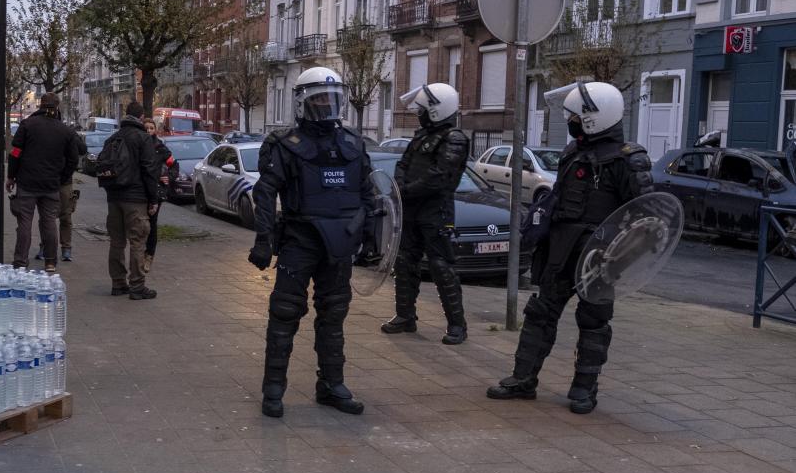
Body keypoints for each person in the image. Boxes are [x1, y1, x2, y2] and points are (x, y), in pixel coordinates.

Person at [486, 81, 654, 414]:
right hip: (559, 252)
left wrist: (619, 256)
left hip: (600, 258)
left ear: (595, 117)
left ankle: (583, 390)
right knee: (539, 314)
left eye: (577, 116)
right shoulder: (572, 152)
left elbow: (644, 218)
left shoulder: (629, 160)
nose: (572, 121)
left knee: (593, 323)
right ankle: (522, 380)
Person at [248, 67, 377, 418]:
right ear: (303, 102)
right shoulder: (284, 145)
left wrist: (371, 237)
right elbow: (265, 193)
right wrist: (263, 238)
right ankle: (274, 388)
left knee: (334, 314)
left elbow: (368, 195)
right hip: (300, 240)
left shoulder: (351, 144)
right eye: (319, 98)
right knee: (285, 312)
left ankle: (331, 385)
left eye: (332, 98)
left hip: (340, 244)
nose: (327, 105)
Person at [381, 82, 470, 345]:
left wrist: (407, 190)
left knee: (441, 267)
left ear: (436, 110)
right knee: (405, 262)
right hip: (412, 209)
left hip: (436, 212)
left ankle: (457, 325)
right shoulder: (421, 136)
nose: (418, 112)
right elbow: (403, 163)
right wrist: (399, 186)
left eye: (423, 108)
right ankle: (405, 316)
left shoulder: (454, 138)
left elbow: (440, 177)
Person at [6, 92, 80, 272]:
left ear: (40, 105)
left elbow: (15, 152)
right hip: (51, 184)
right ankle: (50, 262)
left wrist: (11, 176)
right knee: (49, 224)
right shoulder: (65, 130)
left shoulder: (27, 125)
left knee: (25, 222)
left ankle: (21, 261)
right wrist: (62, 177)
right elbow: (73, 159)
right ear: (57, 107)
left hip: (27, 182)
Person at [99, 101, 159, 299]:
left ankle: (118, 283)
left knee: (116, 242)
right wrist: (153, 199)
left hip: (114, 197)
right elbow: (150, 170)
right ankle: (137, 286)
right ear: (141, 117)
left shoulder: (113, 138)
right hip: (136, 198)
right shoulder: (143, 139)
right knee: (137, 242)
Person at [37, 129, 87, 263]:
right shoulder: (49, 131)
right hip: (56, 180)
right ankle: (58, 248)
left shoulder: (66, 132)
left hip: (56, 181)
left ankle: (59, 248)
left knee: (60, 216)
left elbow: (82, 150)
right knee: (54, 217)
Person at [142, 118, 180, 274]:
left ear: (155, 130)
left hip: (156, 192)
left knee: (151, 224)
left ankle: (149, 256)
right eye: (146, 128)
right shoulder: (139, 146)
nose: (149, 131)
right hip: (141, 190)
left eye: (151, 128)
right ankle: (139, 254)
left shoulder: (160, 148)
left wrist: (169, 177)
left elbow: (174, 165)